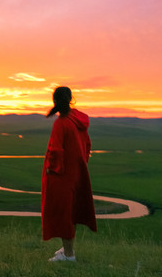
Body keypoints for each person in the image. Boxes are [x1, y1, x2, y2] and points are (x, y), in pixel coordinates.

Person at [41, 86, 97, 262]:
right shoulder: (77, 118)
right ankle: (67, 249)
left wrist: (52, 170)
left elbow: (55, 150)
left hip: (62, 175)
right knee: (72, 211)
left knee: (63, 213)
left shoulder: (62, 122)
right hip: (77, 173)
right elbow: (87, 145)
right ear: (71, 98)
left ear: (54, 101)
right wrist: (80, 164)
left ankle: (69, 255)